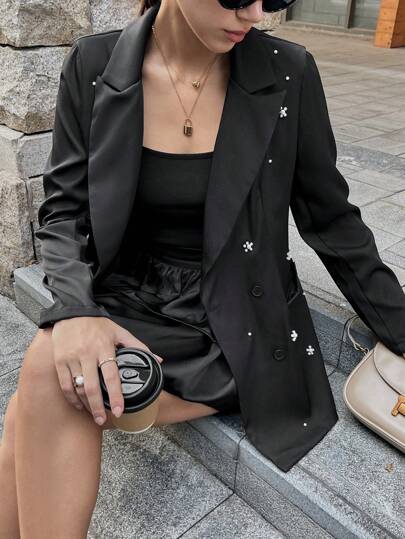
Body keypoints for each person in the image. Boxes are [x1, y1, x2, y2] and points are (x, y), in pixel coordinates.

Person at [2, 0, 405, 536]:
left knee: (41, 387)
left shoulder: (289, 73)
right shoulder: (94, 65)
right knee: (44, 378)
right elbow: (63, 212)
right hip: (128, 298)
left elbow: (333, 223)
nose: (255, 15)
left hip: (235, 319)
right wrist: (76, 310)